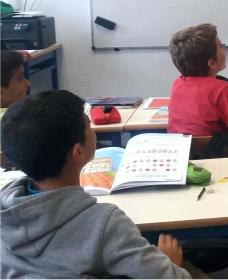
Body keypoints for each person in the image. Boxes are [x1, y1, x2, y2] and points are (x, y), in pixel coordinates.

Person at [0, 90, 192, 278]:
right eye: (89, 125)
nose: (92, 131)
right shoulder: (105, 224)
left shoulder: (5, 211)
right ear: (77, 153)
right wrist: (169, 262)